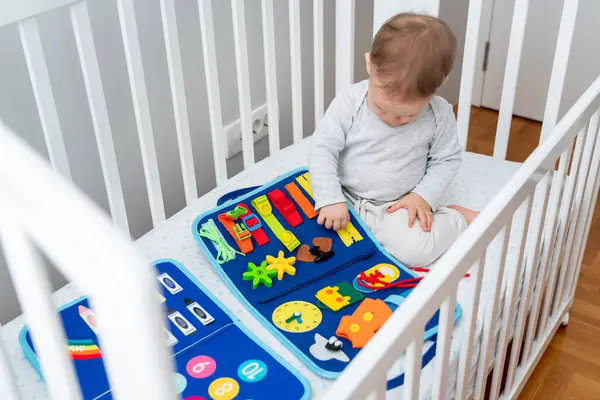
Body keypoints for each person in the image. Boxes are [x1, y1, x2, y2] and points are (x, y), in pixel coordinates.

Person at [309, 13, 478, 267]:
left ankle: (457, 219)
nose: (392, 119)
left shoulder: (439, 115)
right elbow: (323, 150)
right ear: (369, 65)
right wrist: (331, 198)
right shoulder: (349, 102)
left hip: (396, 205)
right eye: (381, 107)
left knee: (414, 252)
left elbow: (446, 160)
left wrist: (423, 196)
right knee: (307, 232)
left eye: (408, 115)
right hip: (345, 195)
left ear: (438, 85)